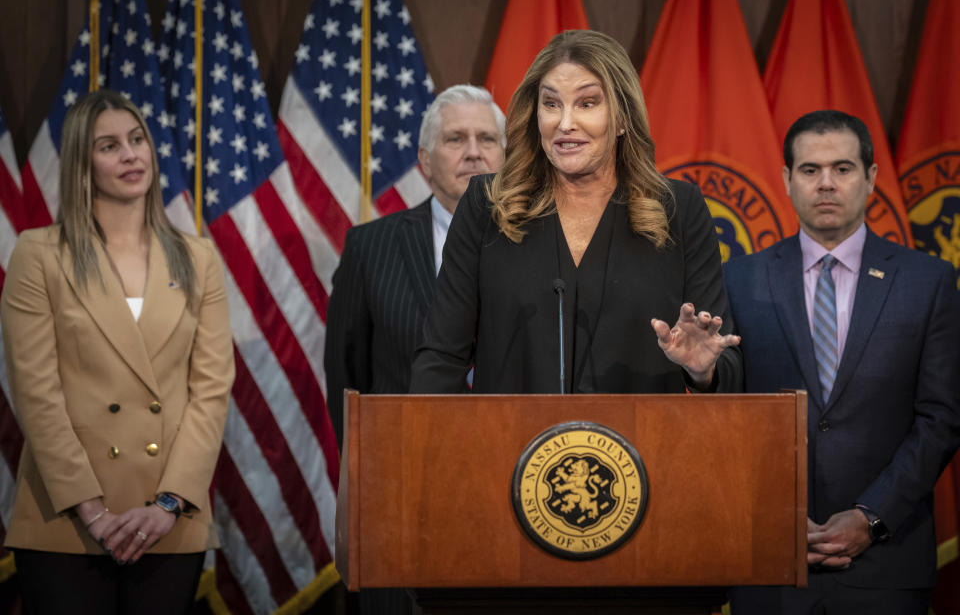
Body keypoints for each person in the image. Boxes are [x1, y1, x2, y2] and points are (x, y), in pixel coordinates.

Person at [1, 89, 234, 614]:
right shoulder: (38, 254)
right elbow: (36, 394)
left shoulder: (198, 259)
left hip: (169, 519)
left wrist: (170, 503)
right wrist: (94, 511)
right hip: (65, 520)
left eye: (137, 141)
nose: (131, 155)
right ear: (82, 165)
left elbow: (212, 392)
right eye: (110, 146)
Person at [409, 30, 741, 396]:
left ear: (622, 119)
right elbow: (441, 357)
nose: (565, 123)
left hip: (641, 446)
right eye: (551, 104)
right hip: (514, 446)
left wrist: (702, 371)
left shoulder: (679, 209)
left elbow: (725, 361)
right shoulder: (486, 205)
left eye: (587, 103)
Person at [724, 110, 960, 614]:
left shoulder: (928, 282)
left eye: (843, 168)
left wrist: (871, 517)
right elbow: (726, 412)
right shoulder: (738, 280)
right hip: (769, 562)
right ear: (786, 180)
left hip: (886, 565)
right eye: (809, 170)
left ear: (872, 178)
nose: (826, 183)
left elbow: (941, 417)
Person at [324, 84, 505, 444]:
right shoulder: (370, 247)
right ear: (424, 161)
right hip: (402, 456)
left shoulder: (537, 242)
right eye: (455, 139)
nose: (473, 153)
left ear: (505, 156)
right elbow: (347, 375)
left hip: (509, 451)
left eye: (487, 139)